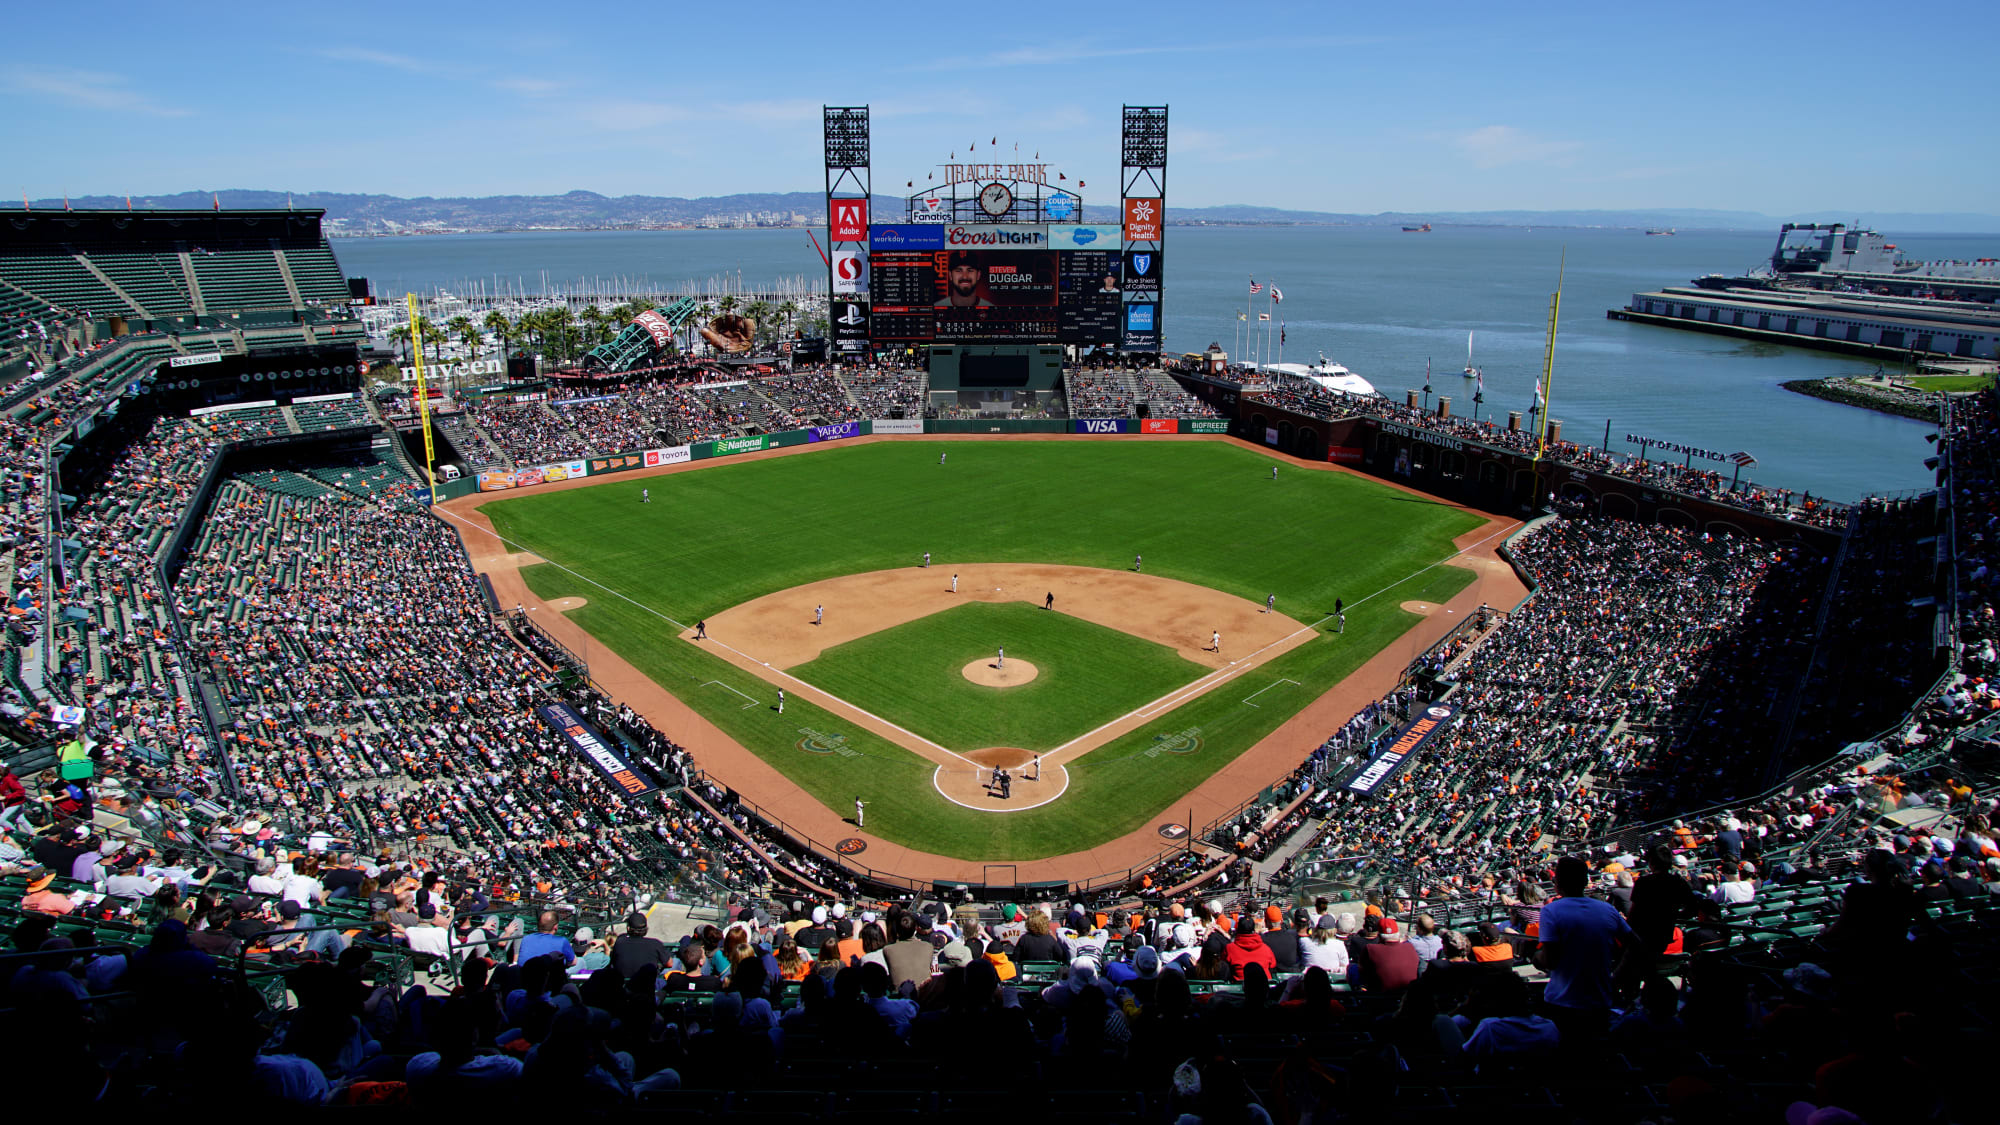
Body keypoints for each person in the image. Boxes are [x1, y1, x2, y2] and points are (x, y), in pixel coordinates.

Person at [1535, 855, 1634, 1046]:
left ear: (1557, 883)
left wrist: (1536, 957)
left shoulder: (1551, 911)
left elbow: (1550, 961)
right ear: (1585, 881)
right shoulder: (1607, 909)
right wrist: (1616, 977)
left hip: (1562, 1002)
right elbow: (1635, 945)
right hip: (1600, 999)